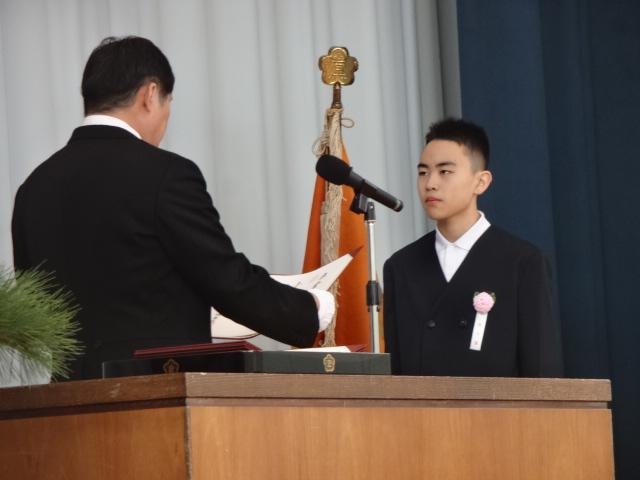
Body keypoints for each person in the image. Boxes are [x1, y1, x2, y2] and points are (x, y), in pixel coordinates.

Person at [11, 36, 334, 380]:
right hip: (156, 390)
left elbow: (37, 305)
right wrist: (313, 309)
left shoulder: (33, 188)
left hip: (69, 396)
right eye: (168, 103)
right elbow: (227, 280)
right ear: (150, 95)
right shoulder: (166, 175)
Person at [383, 118, 563, 377]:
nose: (430, 183)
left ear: (481, 182)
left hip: (498, 404)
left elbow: (541, 369)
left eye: (445, 171)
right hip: (423, 405)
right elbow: (397, 370)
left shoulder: (522, 262)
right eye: (423, 172)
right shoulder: (401, 266)